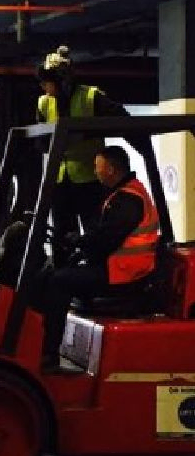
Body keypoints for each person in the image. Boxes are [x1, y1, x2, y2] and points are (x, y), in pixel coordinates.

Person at [40, 145, 160, 371]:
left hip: (124, 275)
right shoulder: (123, 194)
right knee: (60, 273)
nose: (95, 172)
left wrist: (79, 242)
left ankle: (48, 355)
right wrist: (79, 247)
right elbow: (103, 237)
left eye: (97, 167)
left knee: (58, 282)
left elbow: (105, 240)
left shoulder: (128, 199)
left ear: (112, 169)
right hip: (120, 269)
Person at [36, 45, 130, 264]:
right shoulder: (43, 102)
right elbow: (40, 142)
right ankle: (63, 283)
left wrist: (86, 133)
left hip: (90, 179)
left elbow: (123, 119)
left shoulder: (91, 97)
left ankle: (95, 278)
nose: (43, 86)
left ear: (63, 81)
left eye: (47, 81)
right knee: (60, 236)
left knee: (93, 235)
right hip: (59, 180)